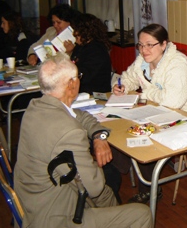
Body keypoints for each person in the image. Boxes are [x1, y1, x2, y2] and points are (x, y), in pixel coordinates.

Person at [14, 52, 153, 228]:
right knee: (141, 213)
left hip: (35, 200)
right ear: (71, 85)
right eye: (78, 76)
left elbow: (80, 115)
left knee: (108, 190)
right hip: (55, 217)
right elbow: (94, 187)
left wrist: (98, 137)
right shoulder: (69, 132)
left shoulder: (34, 108)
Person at [111, 23, 187, 203]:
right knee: (122, 130)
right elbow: (128, 77)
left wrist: (144, 94)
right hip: (158, 112)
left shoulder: (177, 63)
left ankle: (150, 189)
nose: (144, 50)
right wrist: (121, 86)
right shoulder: (142, 61)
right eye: (140, 45)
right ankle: (124, 172)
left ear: (164, 44)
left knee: (143, 138)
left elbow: (173, 102)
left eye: (149, 44)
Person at [70, 13, 112, 94]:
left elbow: (84, 77)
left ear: (85, 32)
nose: (74, 33)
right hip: (82, 90)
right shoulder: (81, 46)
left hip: (94, 94)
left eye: (76, 30)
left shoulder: (97, 51)